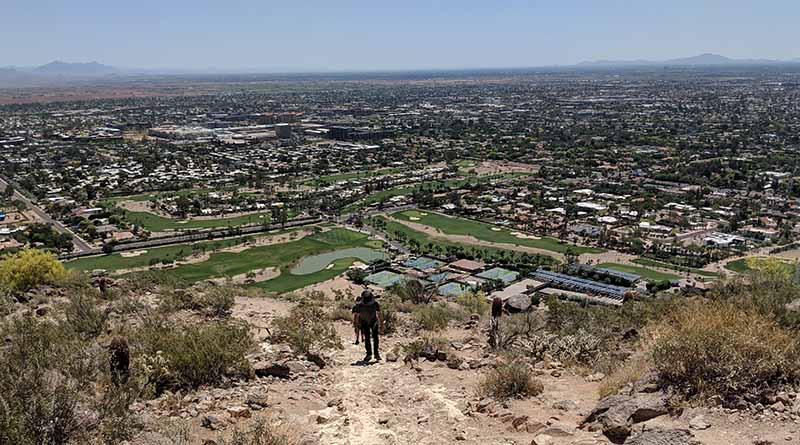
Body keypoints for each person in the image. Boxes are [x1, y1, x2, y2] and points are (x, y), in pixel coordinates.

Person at [354, 290, 383, 362]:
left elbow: (356, 316)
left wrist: (356, 325)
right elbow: (379, 314)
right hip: (370, 322)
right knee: (373, 338)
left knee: (369, 338)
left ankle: (371, 354)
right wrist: (381, 324)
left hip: (368, 322)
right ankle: (374, 354)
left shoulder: (360, 305)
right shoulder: (374, 304)